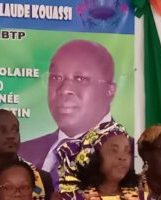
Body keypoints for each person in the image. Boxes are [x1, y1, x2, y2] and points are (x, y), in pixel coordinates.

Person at [20, 39, 117, 187]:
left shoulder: (129, 155)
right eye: (55, 77)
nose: (64, 89)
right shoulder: (22, 153)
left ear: (109, 91)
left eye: (80, 79)